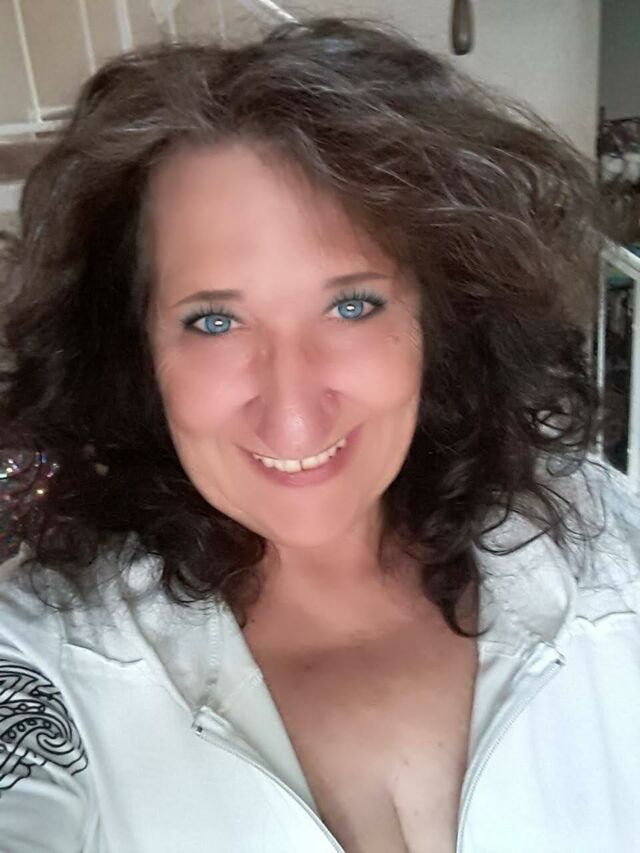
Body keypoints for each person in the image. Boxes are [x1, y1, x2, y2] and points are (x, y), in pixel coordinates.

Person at [0, 15, 638, 853]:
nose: (293, 412)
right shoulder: (45, 658)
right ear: (137, 347)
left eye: (352, 305)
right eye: (214, 320)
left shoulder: (601, 544)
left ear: (438, 317)